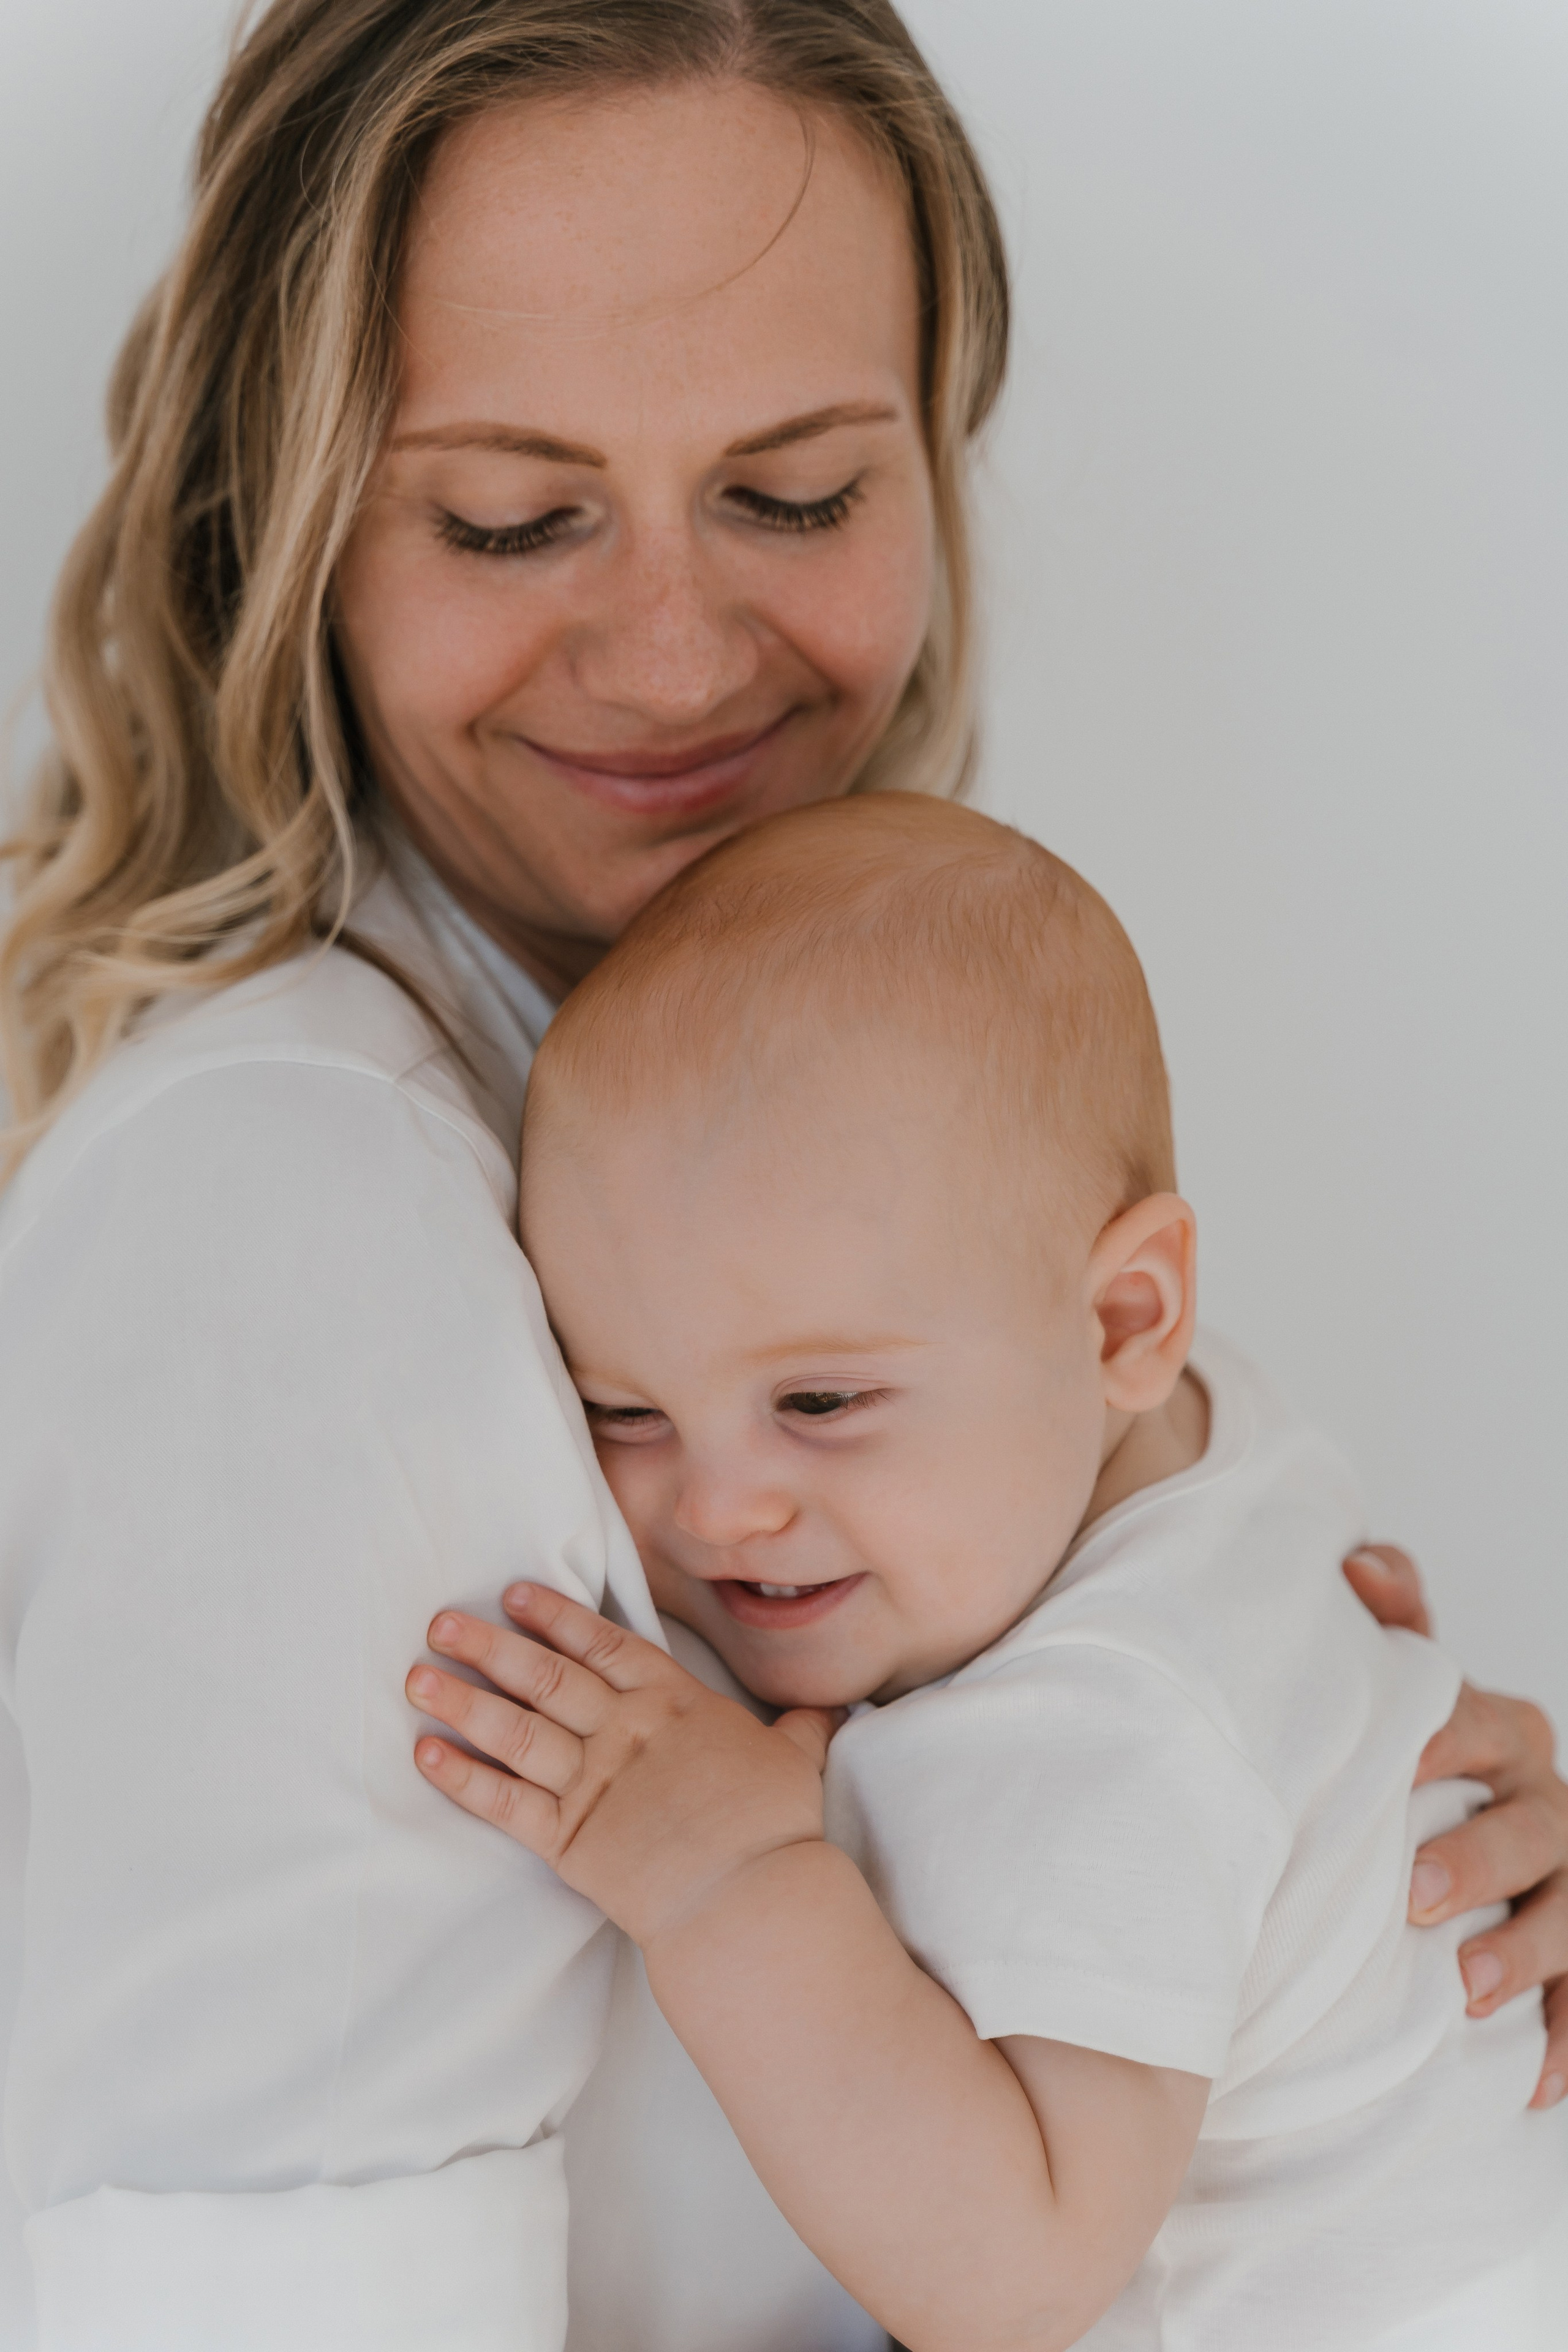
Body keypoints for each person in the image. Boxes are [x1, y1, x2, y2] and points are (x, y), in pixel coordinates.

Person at [0, 4, 1563, 2348]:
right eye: (515, 516)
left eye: (798, 494)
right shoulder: (302, 1209)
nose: (670, 654)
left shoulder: (889, 1121)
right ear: (292, 521)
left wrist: (1360, 1918)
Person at [407, 793, 1568, 2351]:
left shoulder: (1103, 1727)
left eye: (817, 1403)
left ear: (1121, 1320)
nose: (719, 1509)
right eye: (624, 1411)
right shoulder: (1186, 1429)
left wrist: (719, 1882)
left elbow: (1007, 2280)